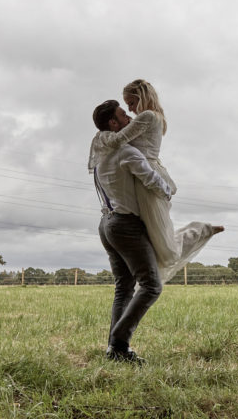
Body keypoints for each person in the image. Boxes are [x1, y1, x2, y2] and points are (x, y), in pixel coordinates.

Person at [89, 79, 222, 282]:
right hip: (139, 176)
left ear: (142, 97)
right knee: (153, 236)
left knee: (162, 241)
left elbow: (116, 141)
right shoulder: (145, 118)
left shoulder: (148, 116)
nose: (130, 110)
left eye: (131, 103)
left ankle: (201, 230)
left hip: (147, 175)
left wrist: (100, 136)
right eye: (126, 107)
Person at [90, 99, 173, 364]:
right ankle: (119, 343)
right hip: (125, 225)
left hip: (106, 224)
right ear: (113, 123)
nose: (130, 118)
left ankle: (115, 350)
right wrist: (169, 191)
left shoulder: (101, 154)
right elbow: (151, 179)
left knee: (124, 287)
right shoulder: (126, 152)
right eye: (123, 115)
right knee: (151, 285)